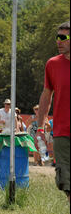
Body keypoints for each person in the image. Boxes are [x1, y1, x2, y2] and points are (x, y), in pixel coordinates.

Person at [36, 20, 70, 202]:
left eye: (63, 38)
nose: (59, 41)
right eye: (58, 37)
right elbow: (46, 96)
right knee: (65, 181)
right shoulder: (52, 64)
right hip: (62, 133)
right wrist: (40, 128)